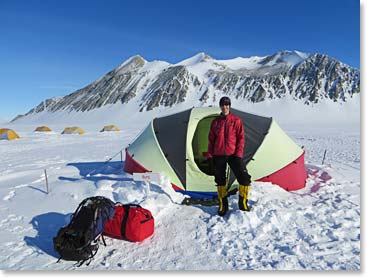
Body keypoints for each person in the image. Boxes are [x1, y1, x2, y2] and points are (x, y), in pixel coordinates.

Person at [207, 96, 251, 216]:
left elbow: (241, 138)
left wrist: (238, 154)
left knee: (244, 178)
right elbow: (211, 140)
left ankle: (243, 203)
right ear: (220, 106)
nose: (225, 107)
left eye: (227, 105)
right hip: (218, 154)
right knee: (220, 180)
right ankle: (223, 204)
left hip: (233, 155)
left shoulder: (236, 120)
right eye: (223, 105)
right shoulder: (216, 122)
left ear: (229, 106)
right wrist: (210, 156)